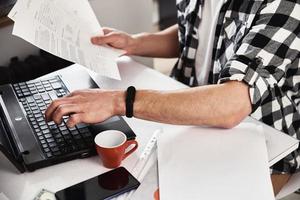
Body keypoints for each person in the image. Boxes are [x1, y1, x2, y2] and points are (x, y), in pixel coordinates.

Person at [45, 0, 300, 195]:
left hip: (265, 141)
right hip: (191, 121)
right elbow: (193, 35)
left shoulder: (286, 4)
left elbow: (232, 103)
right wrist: (136, 42)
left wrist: (117, 101)